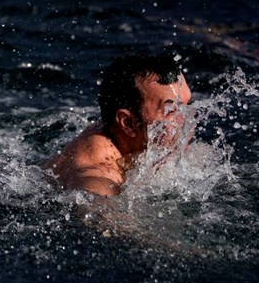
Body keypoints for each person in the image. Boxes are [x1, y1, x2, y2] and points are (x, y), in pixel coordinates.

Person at [44, 51, 192, 196]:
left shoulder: (125, 137)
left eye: (187, 105)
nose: (187, 119)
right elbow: (96, 214)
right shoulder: (97, 179)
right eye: (172, 111)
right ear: (128, 123)